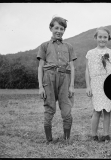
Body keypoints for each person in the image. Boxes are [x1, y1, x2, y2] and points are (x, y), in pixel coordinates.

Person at [37, 16, 77, 144]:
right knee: (49, 107)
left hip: (65, 78)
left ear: (64, 30)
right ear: (51, 28)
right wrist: (40, 87)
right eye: (56, 28)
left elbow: (72, 66)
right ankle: (49, 139)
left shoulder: (69, 46)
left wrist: (71, 85)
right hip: (49, 78)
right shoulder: (44, 46)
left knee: (66, 108)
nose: (59, 31)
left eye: (62, 28)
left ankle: (66, 138)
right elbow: (40, 67)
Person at [85, 27, 111, 142]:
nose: (102, 39)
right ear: (96, 37)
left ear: (108, 38)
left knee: (107, 110)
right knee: (97, 110)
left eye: (105, 37)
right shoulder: (90, 53)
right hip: (96, 84)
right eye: (100, 37)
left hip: (109, 83)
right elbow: (87, 70)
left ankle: (105, 134)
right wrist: (88, 86)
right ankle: (93, 134)